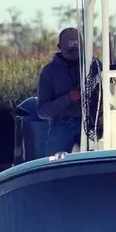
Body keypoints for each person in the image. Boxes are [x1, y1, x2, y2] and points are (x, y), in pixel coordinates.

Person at [37, 27, 82, 156]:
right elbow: (42, 111)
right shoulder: (49, 72)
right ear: (59, 47)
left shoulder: (94, 65)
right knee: (52, 165)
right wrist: (67, 98)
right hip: (61, 126)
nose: (73, 55)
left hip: (89, 125)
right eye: (69, 52)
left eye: (76, 51)